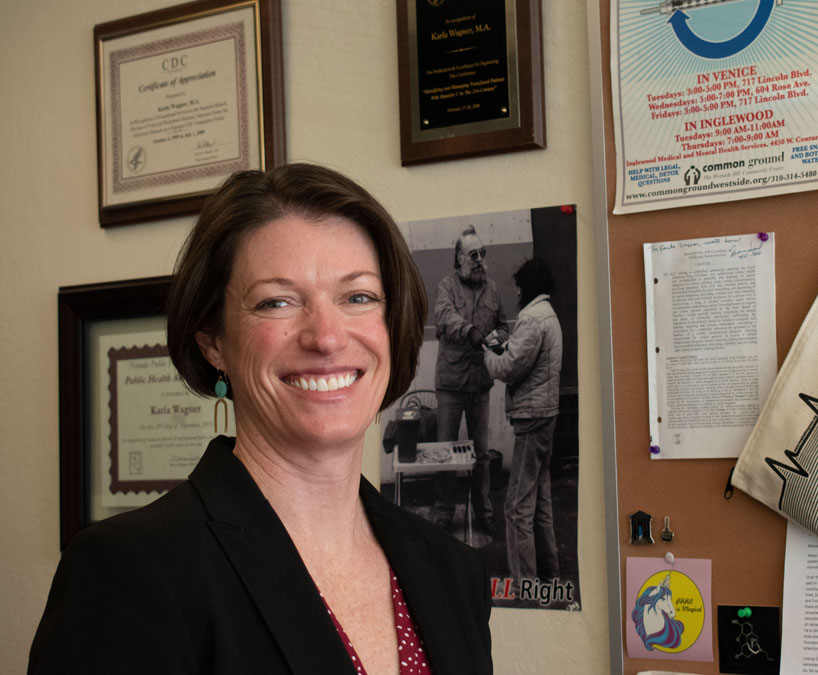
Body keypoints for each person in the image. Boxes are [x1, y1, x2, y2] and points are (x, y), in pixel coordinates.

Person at [29, 164, 493, 674]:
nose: (327, 337)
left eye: (357, 297)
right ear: (213, 342)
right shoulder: (128, 573)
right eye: (277, 302)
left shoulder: (452, 570)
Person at [483, 258, 562, 585]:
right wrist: (506, 347)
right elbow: (523, 356)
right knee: (540, 499)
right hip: (547, 415)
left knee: (515, 508)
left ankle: (526, 584)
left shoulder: (531, 318)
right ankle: (551, 574)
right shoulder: (550, 316)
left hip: (531, 419)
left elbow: (507, 369)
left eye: (518, 285)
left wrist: (488, 351)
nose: (515, 291)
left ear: (527, 286)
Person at [433, 226, 507, 535]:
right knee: (445, 452)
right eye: (473, 254)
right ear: (459, 258)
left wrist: (498, 338)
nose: (479, 260)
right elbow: (446, 318)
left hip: (480, 382)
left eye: (483, 254)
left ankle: (484, 512)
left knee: (482, 454)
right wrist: (471, 332)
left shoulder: (492, 289)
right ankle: (443, 512)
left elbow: (503, 326)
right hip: (451, 383)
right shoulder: (446, 287)